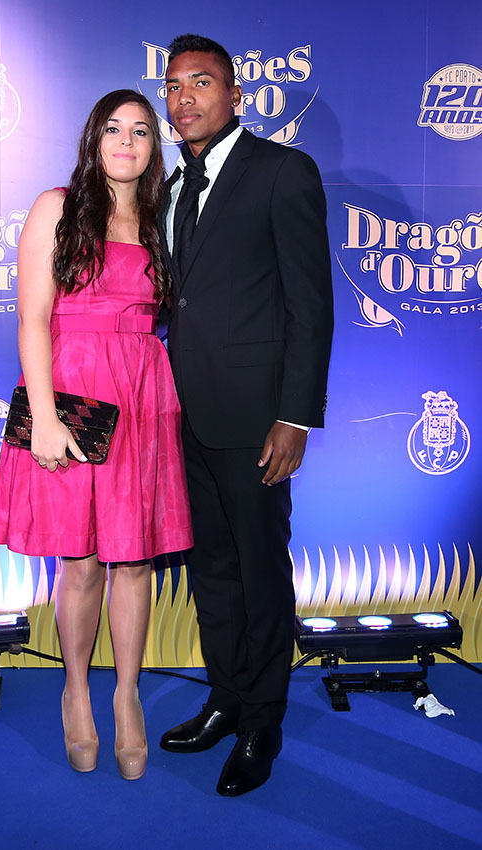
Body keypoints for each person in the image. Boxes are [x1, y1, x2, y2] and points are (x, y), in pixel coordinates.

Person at [0, 90, 193, 780]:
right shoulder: (57, 206)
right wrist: (44, 418)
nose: (126, 141)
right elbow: (31, 318)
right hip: (73, 392)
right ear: (93, 138)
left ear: (154, 146)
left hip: (142, 394)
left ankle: (126, 694)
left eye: (140, 130)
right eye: (113, 128)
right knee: (78, 561)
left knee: (133, 560)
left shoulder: (163, 219)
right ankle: (76, 691)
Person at [158, 35, 333, 796]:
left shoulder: (282, 171)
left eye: (201, 82)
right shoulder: (169, 184)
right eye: (173, 86)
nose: (184, 97)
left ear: (235, 94)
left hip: (258, 417)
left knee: (260, 571)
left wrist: (294, 415)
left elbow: (310, 305)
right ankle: (225, 699)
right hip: (183, 416)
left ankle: (263, 719)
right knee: (214, 571)